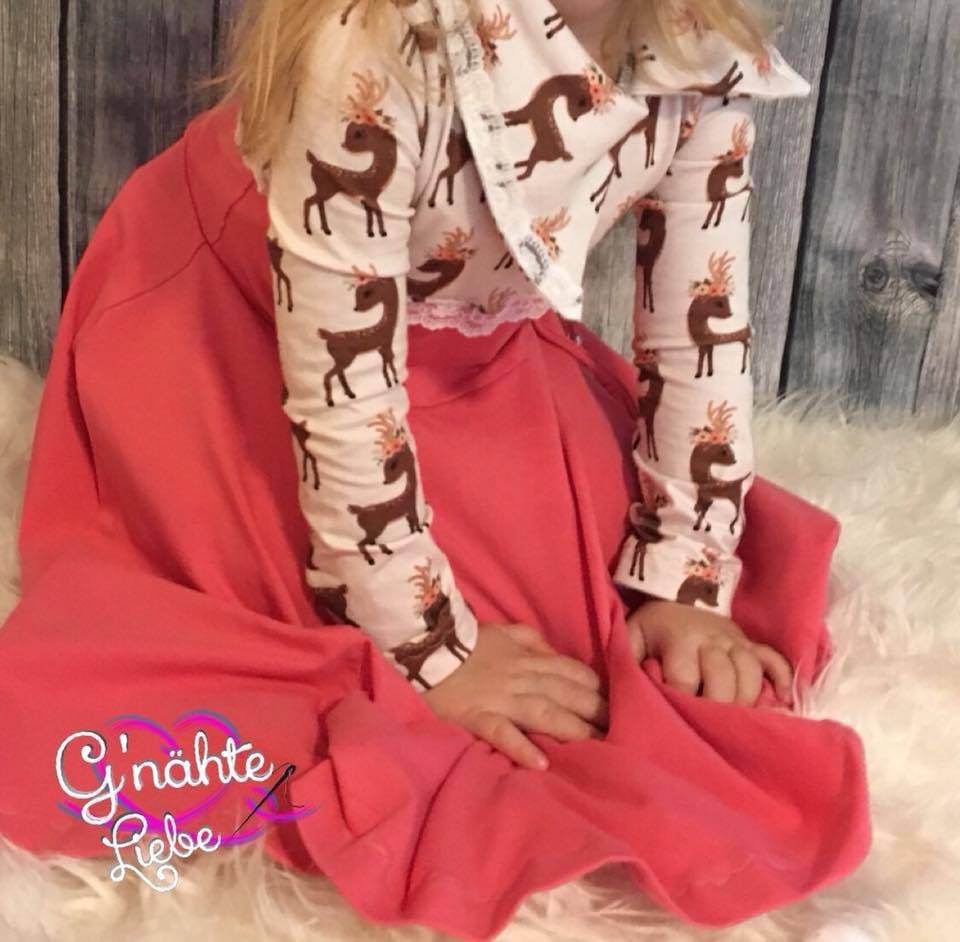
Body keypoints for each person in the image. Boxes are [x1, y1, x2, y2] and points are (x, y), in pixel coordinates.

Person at [0, 0, 871, 937]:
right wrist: (431, 650)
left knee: (581, 615)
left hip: (457, 342)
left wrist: (687, 571)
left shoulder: (697, 37)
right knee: (357, 629)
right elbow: (343, 395)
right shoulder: (372, 42)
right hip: (242, 330)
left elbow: (701, 320)